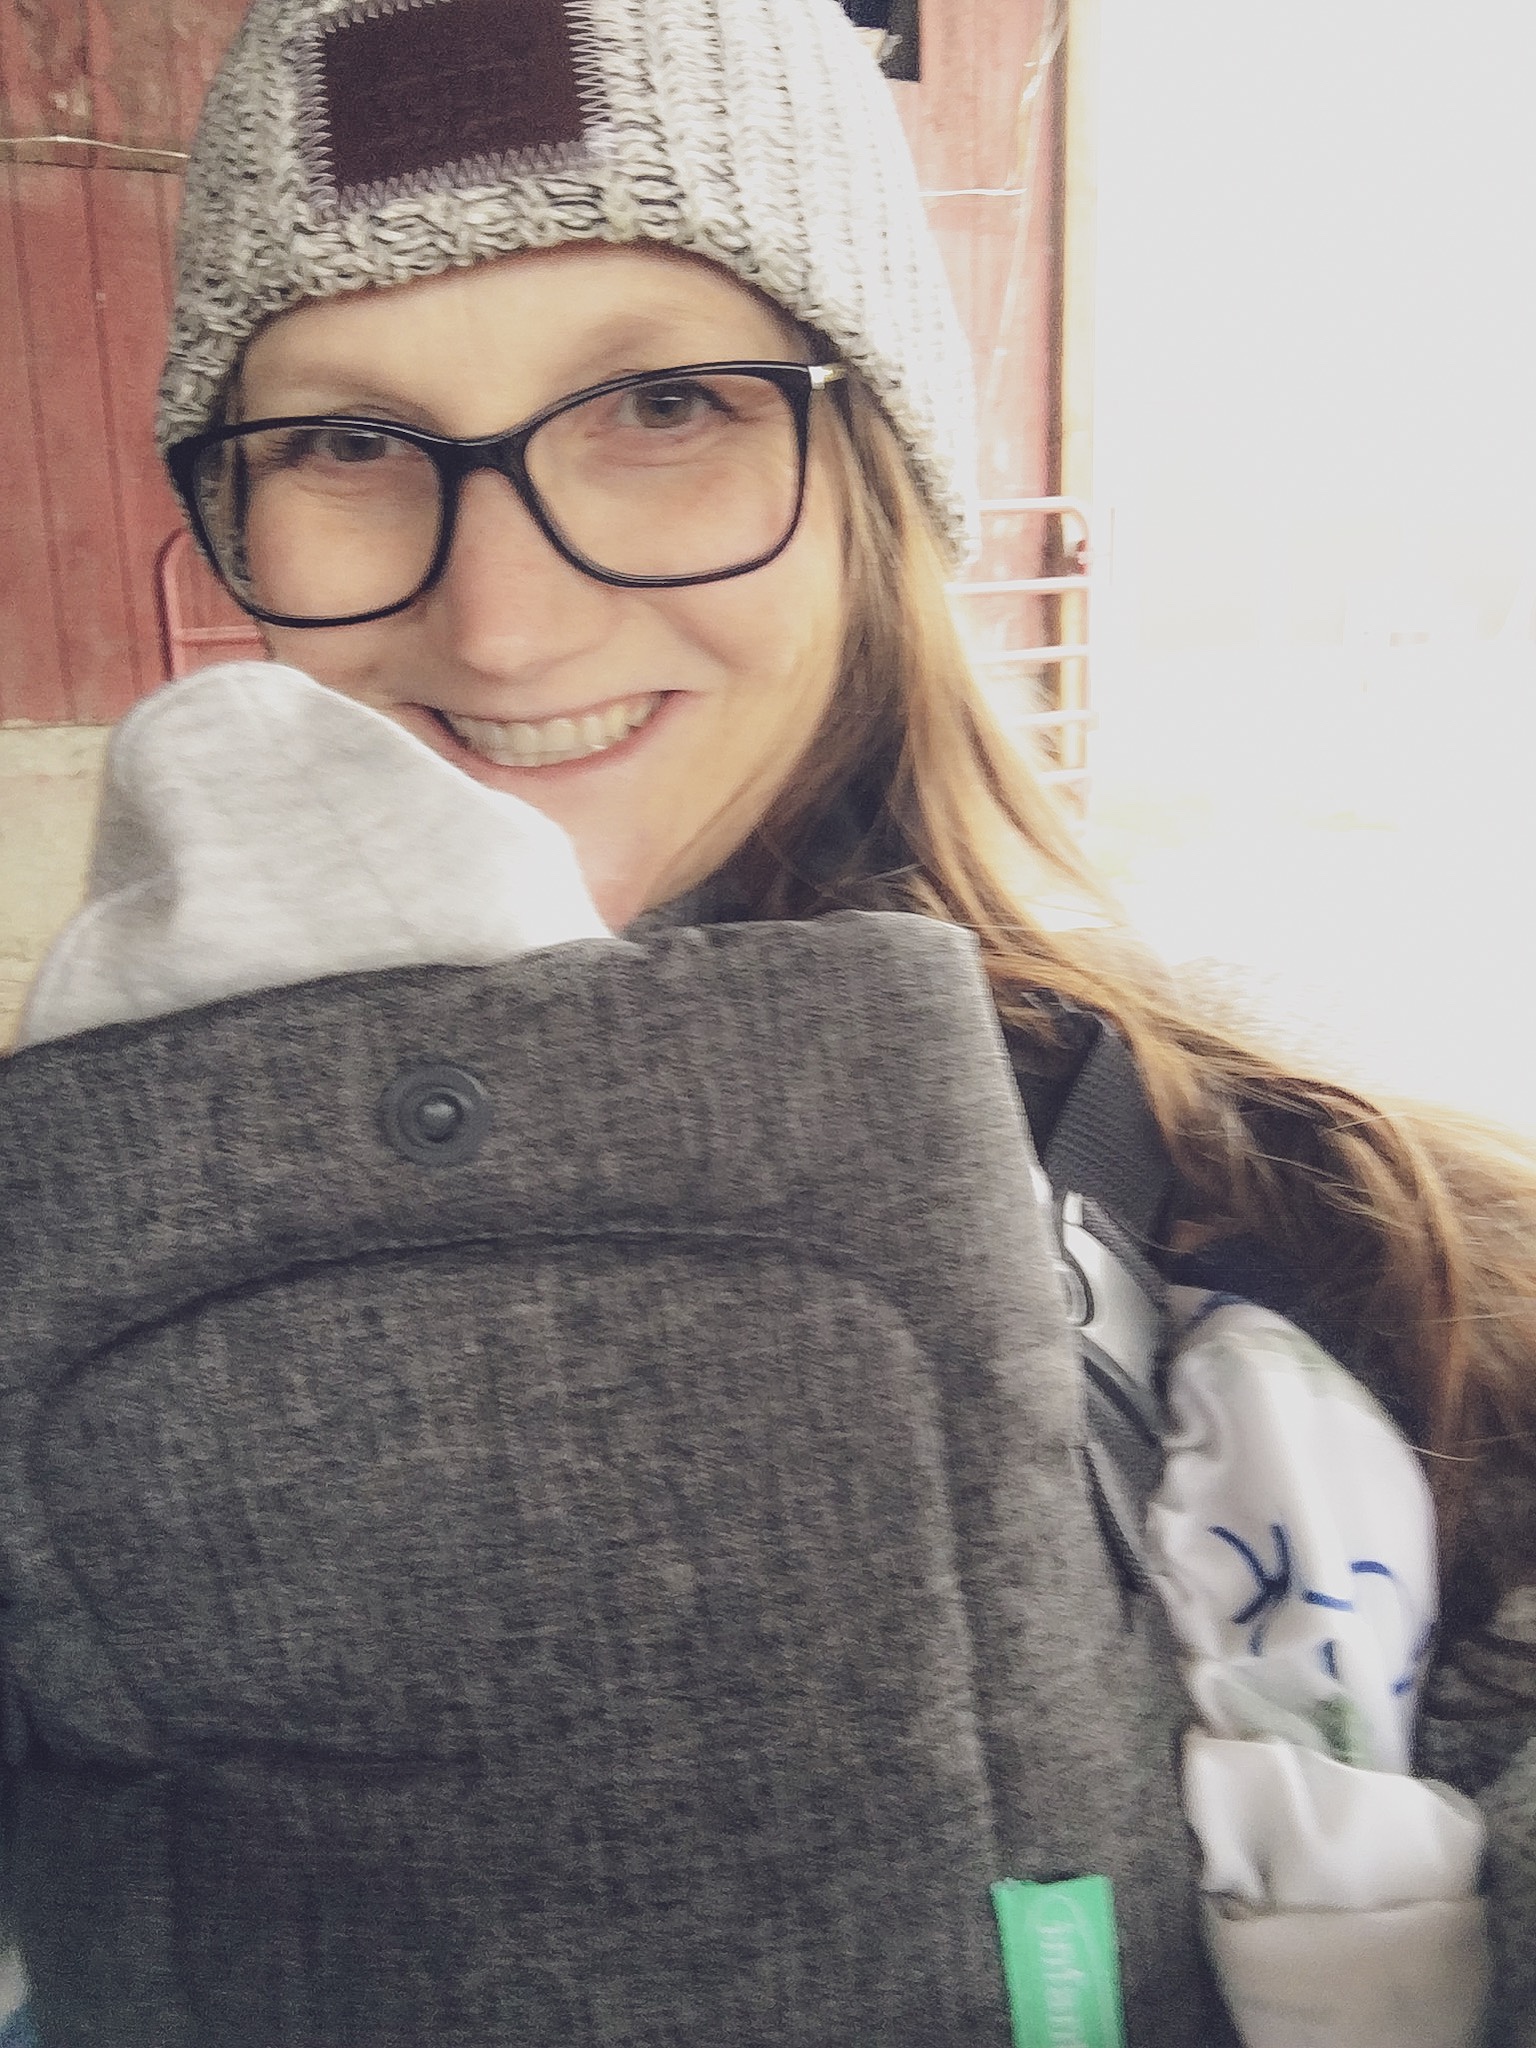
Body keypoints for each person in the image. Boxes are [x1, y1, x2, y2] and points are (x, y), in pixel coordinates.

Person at [1, 0, 1534, 2043]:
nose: (503, 623)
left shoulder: (1374, 1259)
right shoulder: (58, 1264)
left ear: (875, 475)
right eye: (350, 445)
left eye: (663, 406)